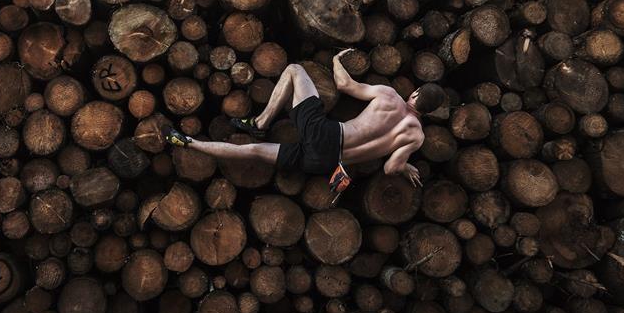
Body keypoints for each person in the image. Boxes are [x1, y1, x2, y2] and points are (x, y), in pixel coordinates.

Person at [164, 49, 445, 196]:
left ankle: (261, 121)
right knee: (252, 151)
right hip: (326, 163)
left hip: (326, 134)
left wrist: (336, 60)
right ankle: (187, 142)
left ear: (416, 93)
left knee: (295, 70)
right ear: (429, 113)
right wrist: (406, 165)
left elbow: (345, 84)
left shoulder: (390, 96)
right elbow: (390, 167)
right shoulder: (416, 136)